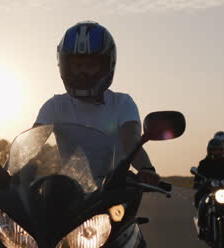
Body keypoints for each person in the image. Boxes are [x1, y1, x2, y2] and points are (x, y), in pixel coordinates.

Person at [33, 20, 160, 185]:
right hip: (68, 191)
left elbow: (131, 141)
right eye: (77, 65)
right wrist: (8, 172)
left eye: (90, 65)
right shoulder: (55, 106)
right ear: (65, 66)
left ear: (107, 65)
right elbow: (30, 146)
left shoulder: (122, 103)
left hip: (115, 189)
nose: (83, 72)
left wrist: (146, 169)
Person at [193, 138, 224, 240]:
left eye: (219, 150)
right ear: (209, 150)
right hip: (209, 188)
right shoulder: (204, 163)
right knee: (199, 200)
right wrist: (199, 180)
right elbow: (198, 174)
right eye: (214, 150)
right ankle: (202, 224)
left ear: (223, 150)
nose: (216, 152)